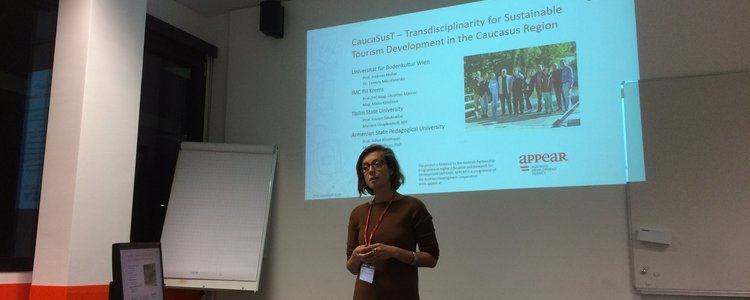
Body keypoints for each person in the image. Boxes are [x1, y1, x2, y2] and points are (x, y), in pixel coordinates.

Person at [347, 144, 440, 300]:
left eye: (377, 164)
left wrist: (393, 252)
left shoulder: (413, 207)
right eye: (365, 167)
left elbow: (431, 259)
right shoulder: (358, 213)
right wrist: (356, 256)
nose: (371, 170)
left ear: (391, 169)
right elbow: (351, 267)